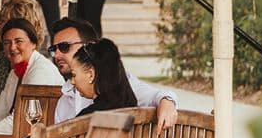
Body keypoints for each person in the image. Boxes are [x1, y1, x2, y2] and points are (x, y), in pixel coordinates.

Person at [48, 17, 176, 128]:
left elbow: (157, 96)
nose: (57, 55)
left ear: (88, 46)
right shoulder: (64, 100)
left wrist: (167, 102)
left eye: (64, 47)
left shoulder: (119, 83)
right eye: (54, 49)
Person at [0, 17, 63, 137]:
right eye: (7, 43)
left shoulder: (41, 70)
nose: (12, 47)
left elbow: (23, 119)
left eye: (18, 41)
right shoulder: (15, 72)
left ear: (33, 44)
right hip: (25, 137)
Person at [67, 38, 139, 117]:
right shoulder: (133, 109)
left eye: (74, 75)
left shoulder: (87, 117)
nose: (72, 82)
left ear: (91, 74)